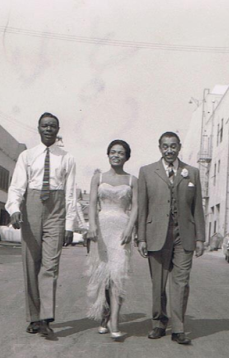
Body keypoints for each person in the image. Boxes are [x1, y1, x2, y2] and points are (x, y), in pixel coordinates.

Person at [6, 112, 76, 338]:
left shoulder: (67, 158)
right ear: (38, 128)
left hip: (56, 210)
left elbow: (71, 194)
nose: (48, 129)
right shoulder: (27, 156)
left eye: (53, 126)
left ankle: (46, 319)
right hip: (31, 208)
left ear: (58, 130)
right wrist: (15, 209)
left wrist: (70, 225)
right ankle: (33, 317)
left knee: (50, 266)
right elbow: (17, 187)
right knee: (31, 263)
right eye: (45, 126)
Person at [137, 132, 205, 345]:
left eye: (173, 146)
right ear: (159, 147)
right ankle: (158, 322)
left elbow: (197, 208)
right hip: (156, 234)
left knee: (181, 282)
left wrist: (200, 238)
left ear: (179, 147)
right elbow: (142, 208)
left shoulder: (191, 173)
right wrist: (141, 238)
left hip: (183, 235)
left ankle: (178, 328)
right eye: (165, 146)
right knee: (158, 283)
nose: (169, 150)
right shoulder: (147, 172)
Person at [86, 140, 138, 339]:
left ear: (126, 156)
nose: (116, 155)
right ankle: (104, 315)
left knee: (118, 275)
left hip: (121, 230)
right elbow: (91, 203)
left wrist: (129, 228)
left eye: (121, 153)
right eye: (113, 152)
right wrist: (92, 226)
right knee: (103, 276)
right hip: (102, 229)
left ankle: (114, 319)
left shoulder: (133, 180)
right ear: (108, 155)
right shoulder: (97, 178)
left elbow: (136, 207)